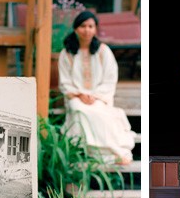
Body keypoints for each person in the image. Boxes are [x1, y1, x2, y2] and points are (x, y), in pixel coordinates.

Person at [57, 10, 136, 165]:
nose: (87, 30)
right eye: (83, 26)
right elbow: (65, 82)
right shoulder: (66, 54)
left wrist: (95, 96)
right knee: (79, 110)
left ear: (95, 29)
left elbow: (110, 78)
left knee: (101, 113)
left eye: (91, 26)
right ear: (75, 29)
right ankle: (106, 153)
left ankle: (112, 153)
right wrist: (80, 95)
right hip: (75, 97)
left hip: (99, 96)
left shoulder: (103, 51)